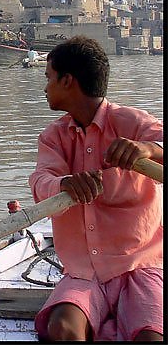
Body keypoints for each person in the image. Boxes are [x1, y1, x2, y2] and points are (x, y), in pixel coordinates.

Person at [29, 36, 163, 342]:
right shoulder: (53, 137)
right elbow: (41, 182)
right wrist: (65, 184)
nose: (45, 87)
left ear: (67, 81)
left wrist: (148, 149)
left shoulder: (131, 122)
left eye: (49, 78)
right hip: (82, 272)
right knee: (62, 329)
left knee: (151, 336)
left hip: (138, 265)